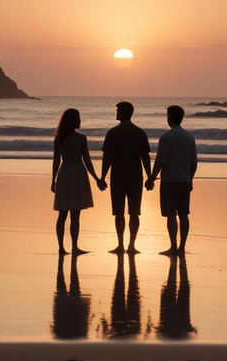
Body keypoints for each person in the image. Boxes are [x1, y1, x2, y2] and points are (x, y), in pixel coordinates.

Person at [100, 101, 152, 254]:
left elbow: (107, 157)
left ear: (123, 113)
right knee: (134, 212)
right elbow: (145, 157)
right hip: (135, 177)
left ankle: (121, 244)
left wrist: (102, 177)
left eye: (118, 111)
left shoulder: (112, 132)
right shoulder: (140, 133)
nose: (116, 114)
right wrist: (149, 177)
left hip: (117, 177)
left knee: (119, 212)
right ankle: (132, 245)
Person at [52, 108, 105, 255]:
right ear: (73, 121)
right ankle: (74, 247)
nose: (80, 121)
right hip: (78, 172)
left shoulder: (59, 138)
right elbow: (87, 161)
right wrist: (97, 179)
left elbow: (56, 160)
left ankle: (61, 248)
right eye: (78, 118)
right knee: (75, 214)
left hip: (64, 172)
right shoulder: (81, 138)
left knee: (62, 213)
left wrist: (53, 179)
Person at [145, 105, 197, 256]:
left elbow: (160, 161)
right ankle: (182, 247)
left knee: (170, 215)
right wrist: (191, 179)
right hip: (184, 180)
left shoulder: (166, 138)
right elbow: (193, 162)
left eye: (167, 115)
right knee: (183, 214)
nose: (167, 118)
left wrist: (151, 179)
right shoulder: (189, 138)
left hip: (169, 181)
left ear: (171, 118)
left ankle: (173, 246)